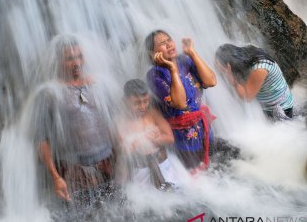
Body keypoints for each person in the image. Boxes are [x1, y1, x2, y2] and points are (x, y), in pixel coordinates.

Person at [36, 37, 114, 202]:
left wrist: (121, 158)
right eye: (70, 58)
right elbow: (42, 140)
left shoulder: (97, 84)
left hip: (105, 163)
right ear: (59, 61)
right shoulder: (51, 93)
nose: (77, 62)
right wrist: (56, 177)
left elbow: (112, 123)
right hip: (73, 169)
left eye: (79, 56)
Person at [145, 30, 217, 171]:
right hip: (183, 139)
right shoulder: (154, 75)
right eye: (162, 43)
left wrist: (192, 52)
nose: (168, 44)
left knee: (214, 169)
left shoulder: (185, 60)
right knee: (194, 173)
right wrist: (172, 68)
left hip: (204, 128)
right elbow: (180, 103)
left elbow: (211, 81)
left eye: (169, 40)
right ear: (153, 54)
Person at [115, 79, 178, 190]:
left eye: (145, 101)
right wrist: (145, 136)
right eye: (137, 103)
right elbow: (124, 150)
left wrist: (153, 139)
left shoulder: (152, 114)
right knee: (148, 201)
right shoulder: (121, 121)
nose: (142, 106)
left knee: (175, 195)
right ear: (125, 101)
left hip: (162, 165)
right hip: (140, 172)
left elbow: (170, 138)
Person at [215, 43, 294, 120]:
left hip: (279, 110)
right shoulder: (247, 53)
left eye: (222, 68)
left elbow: (247, 97)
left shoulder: (259, 69)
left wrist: (233, 81)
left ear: (229, 66)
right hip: (268, 101)